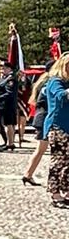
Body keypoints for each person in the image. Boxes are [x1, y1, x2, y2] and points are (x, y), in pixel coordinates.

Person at [42, 54, 69, 209]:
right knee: (58, 162)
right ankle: (55, 193)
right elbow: (61, 96)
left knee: (68, 163)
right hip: (58, 127)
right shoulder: (55, 81)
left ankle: (66, 191)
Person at [22, 68, 53, 187]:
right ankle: (28, 174)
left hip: (41, 118)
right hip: (44, 119)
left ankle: (28, 174)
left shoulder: (43, 82)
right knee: (41, 149)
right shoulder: (51, 83)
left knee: (41, 149)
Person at [0, 62, 19, 151]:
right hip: (4, 105)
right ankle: (10, 142)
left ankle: (10, 143)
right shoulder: (4, 78)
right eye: (1, 68)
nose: (2, 70)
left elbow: (9, 93)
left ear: (10, 69)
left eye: (4, 68)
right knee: (8, 124)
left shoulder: (11, 79)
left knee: (8, 124)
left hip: (7, 105)